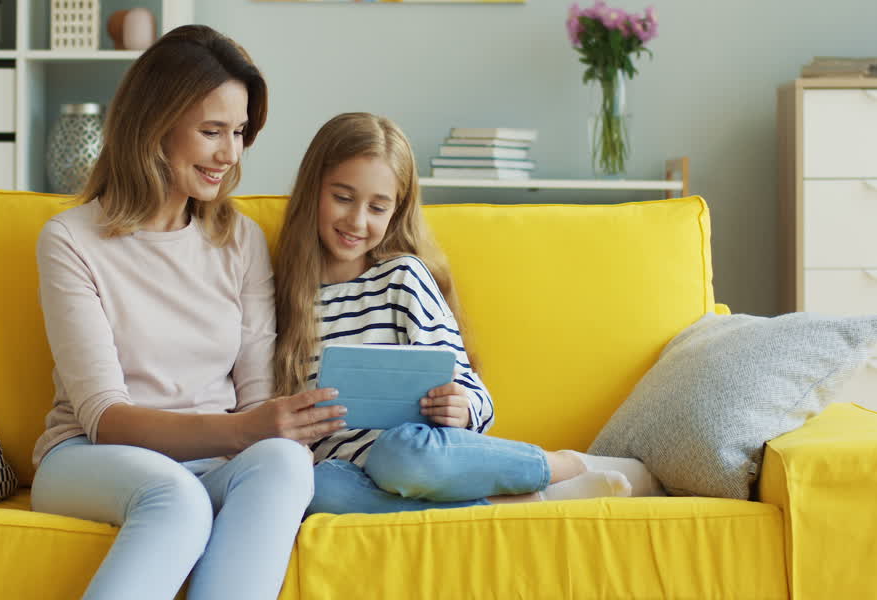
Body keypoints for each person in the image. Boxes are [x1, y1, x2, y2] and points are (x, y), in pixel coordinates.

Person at [30, 25, 347, 600]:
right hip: (91, 457)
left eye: (239, 132)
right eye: (211, 131)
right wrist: (244, 429)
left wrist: (270, 428)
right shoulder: (71, 240)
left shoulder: (240, 241)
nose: (230, 154)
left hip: (215, 460)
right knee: (176, 497)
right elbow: (104, 417)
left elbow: (256, 399)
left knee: (285, 462)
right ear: (155, 125)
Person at [271, 112, 664, 515]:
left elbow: (474, 395)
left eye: (377, 207)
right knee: (318, 491)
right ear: (313, 189)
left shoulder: (402, 279)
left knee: (398, 454)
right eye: (342, 198)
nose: (357, 220)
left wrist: (461, 408)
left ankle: (564, 466)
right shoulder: (281, 295)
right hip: (346, 475)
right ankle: (527, 502)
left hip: (415, 455)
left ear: (396, 212)